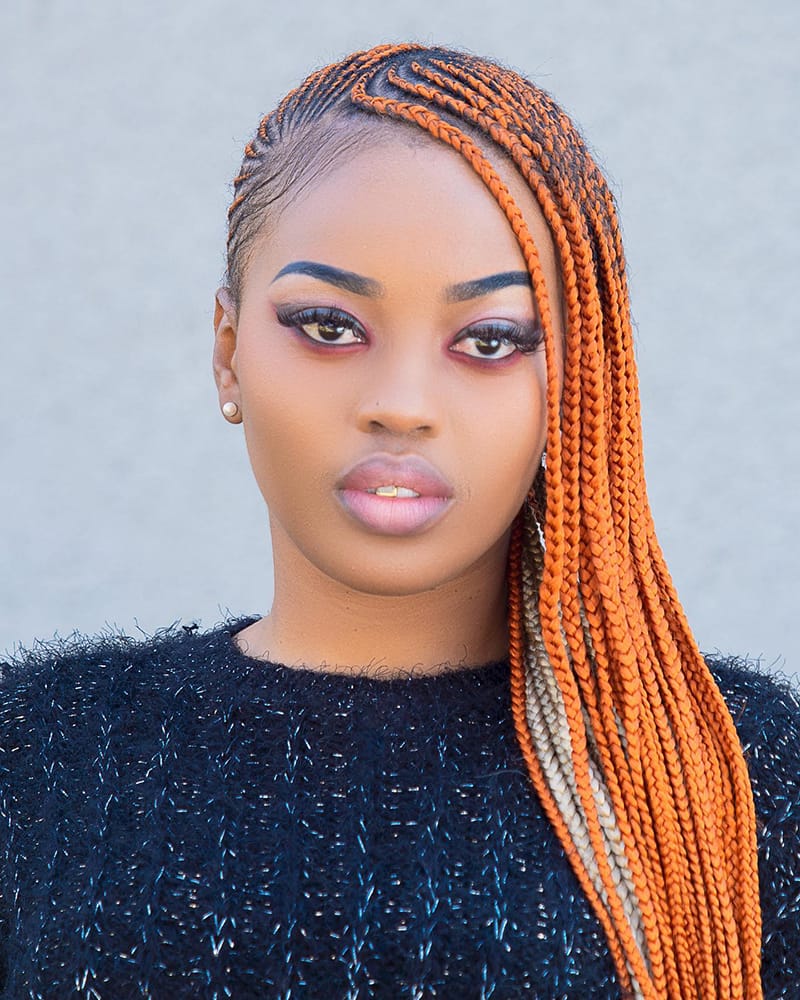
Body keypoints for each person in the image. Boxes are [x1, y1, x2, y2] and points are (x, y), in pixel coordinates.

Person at [0, 42, 797, 1000]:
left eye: (490, 340)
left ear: (580, 382)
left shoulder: (727, 771)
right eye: (329, 326)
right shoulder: (38, 754)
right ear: (227, 352)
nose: (402, 403)